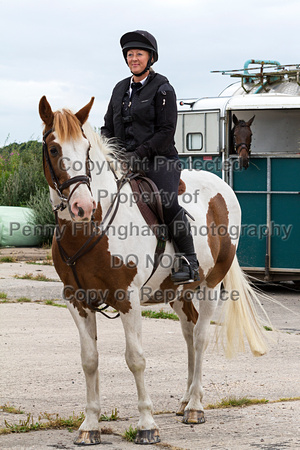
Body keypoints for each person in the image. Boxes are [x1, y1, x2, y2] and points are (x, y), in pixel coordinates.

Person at [101, 30, 199, 284]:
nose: (134, 58)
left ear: (151, 58)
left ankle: (190, 261)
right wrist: (108, 151)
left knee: (166, 202)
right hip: (124, 160)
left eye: (139, 54)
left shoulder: (163, 89)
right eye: (130, 54)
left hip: (160, 159)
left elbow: (166, 132)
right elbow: (108, 127)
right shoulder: (119, 89)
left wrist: (139, 154)